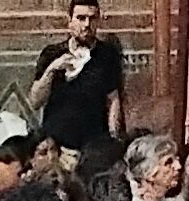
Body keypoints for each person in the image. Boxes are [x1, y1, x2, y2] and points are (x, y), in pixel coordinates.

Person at [32, 0, 129, 154]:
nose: (86, 25)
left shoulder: (107, 55)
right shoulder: (52, 53)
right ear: (70, 21)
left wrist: (113, 140)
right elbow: (36, 101)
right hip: (56, 146)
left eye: (92, 18)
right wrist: (52, 69)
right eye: (81, 18)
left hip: (92, 145)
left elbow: (113, 100)